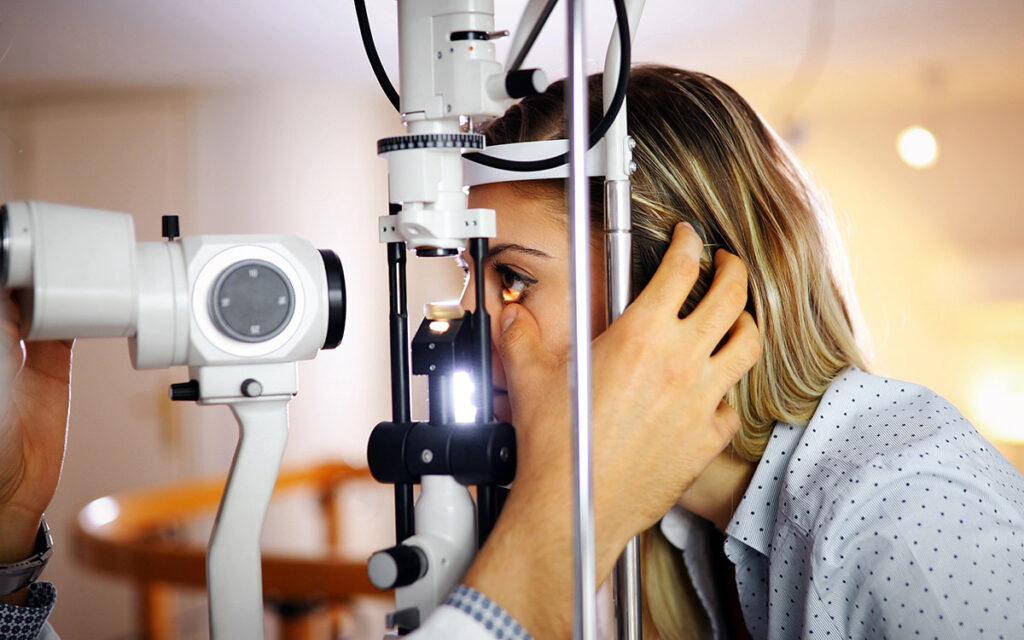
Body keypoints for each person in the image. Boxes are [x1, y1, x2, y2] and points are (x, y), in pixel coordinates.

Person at [2, 65, 1022, 640]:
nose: (466, 327)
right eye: (472, 279)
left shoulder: (907, 519)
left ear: (682, 287)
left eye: (516, 279)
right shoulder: (682, 533)